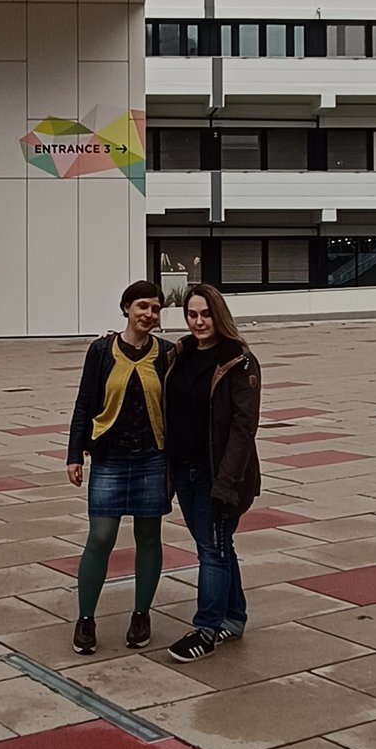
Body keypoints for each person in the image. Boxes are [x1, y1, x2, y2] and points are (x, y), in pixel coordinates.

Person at [66, 280, 171, 654]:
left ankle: (141, 614)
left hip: (152, 457)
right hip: (109, 457)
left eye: (155, 308)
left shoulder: (168, 353)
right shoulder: (100, 351)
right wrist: (74, 454)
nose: (148, 314)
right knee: (101, 537)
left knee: (148, 538)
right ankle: (85, 619)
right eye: (142, 306)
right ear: (126, 308)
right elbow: (84, 402)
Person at [163, 282, 261, 662]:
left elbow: (243, 427)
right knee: (218, 546)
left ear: (218, 314)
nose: (199, 321)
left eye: (205, 314)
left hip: (219, 474)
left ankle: (206, 628)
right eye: (192, 314)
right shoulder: (181, 353)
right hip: (185, 468)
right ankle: (233, 619)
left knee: (212, 551)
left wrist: (226, 483)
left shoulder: (239, 359)